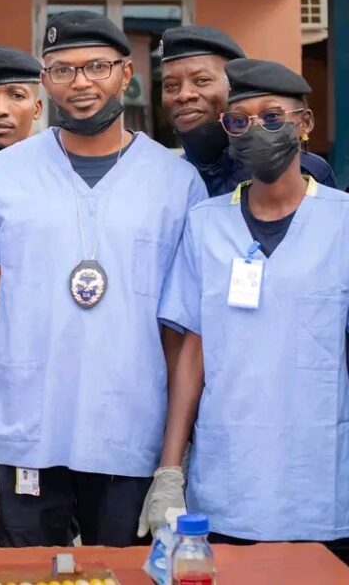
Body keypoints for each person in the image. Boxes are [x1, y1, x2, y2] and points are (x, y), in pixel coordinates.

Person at [0, 10, 207, 548]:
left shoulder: (177, 182)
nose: (81, 84)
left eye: (96, 67)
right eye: (63, 70)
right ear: (45, 83)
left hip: (130, 436)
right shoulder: (3, 175)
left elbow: (183, 332)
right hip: (26, 434)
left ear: (126, 73)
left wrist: (172, 462)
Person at [142, 58, 349, 565]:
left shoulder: (343, 221)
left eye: (273, 118)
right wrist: (171, 471)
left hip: (324, 479)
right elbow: (192, 349)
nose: (257, 130)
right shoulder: (205, 225)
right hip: (229, 479)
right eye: (240, 120)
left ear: (305, 125)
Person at [161, 25, 337, 194]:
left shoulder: (301, 171)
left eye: (201, 80)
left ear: (234, 87)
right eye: (170, 85)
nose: (184, 95)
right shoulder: (164, 179)